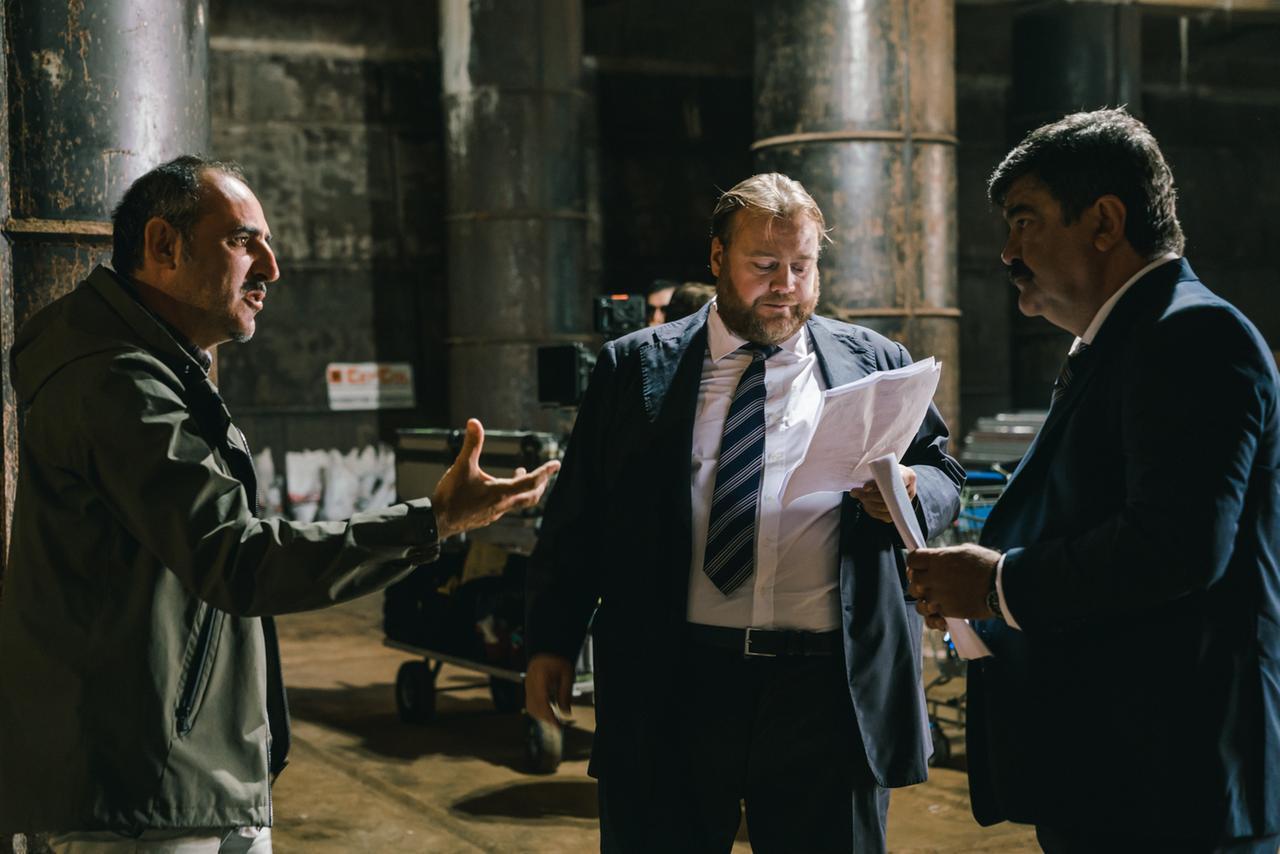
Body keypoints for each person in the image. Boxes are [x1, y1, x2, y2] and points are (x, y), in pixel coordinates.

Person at [0, 155, 559, 853]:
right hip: (142, 798)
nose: (271, 268)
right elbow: (241, 561)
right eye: (243, 241)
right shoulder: (118, 384)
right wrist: (434, 519)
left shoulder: (151, 371)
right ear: (163, 247)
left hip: (176, 780)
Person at [525, 173, 963, 853]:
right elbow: (578, 514)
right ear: (717, 259)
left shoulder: (873, 363)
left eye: (802, 266)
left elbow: (943, 474)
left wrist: (911, 490)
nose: (786, 283)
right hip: (677, 681)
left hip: (828, 694)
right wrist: (550, 639)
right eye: (764, 265)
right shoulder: (634, 369)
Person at [906, 109, 1280, 853]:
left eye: (1024, 221)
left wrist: (997, 585)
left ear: (1105, 221)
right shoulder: (1130, 338)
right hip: (1123, 769)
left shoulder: (1190, 335)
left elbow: (1176, 546)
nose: (1008, 252)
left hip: (1175, 782)